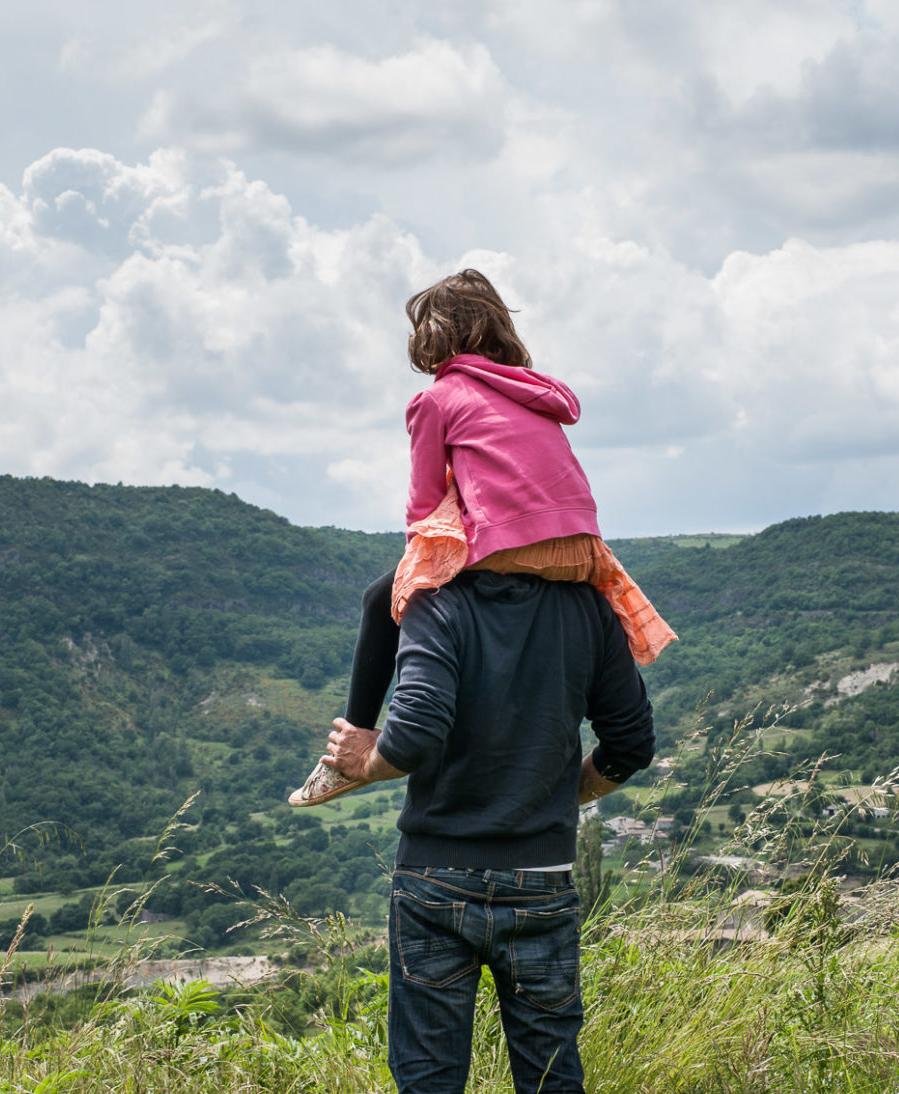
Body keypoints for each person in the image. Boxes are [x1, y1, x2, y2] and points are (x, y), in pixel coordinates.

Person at [322, 553, 656, 1094]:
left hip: (433, 884)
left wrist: (364, 754)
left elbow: (410, 736)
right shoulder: (587, 609)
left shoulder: (435, 601)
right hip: (540, 885)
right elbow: (631, 744)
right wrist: (555, 800)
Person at [287, 268, 673, 807]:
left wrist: (417, 571)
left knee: (381, 598)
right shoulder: (536, 395)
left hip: (509, 547)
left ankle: (347, 751)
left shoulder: (437, 400)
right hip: (581, 549)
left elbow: (423, 504)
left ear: (431, 337)